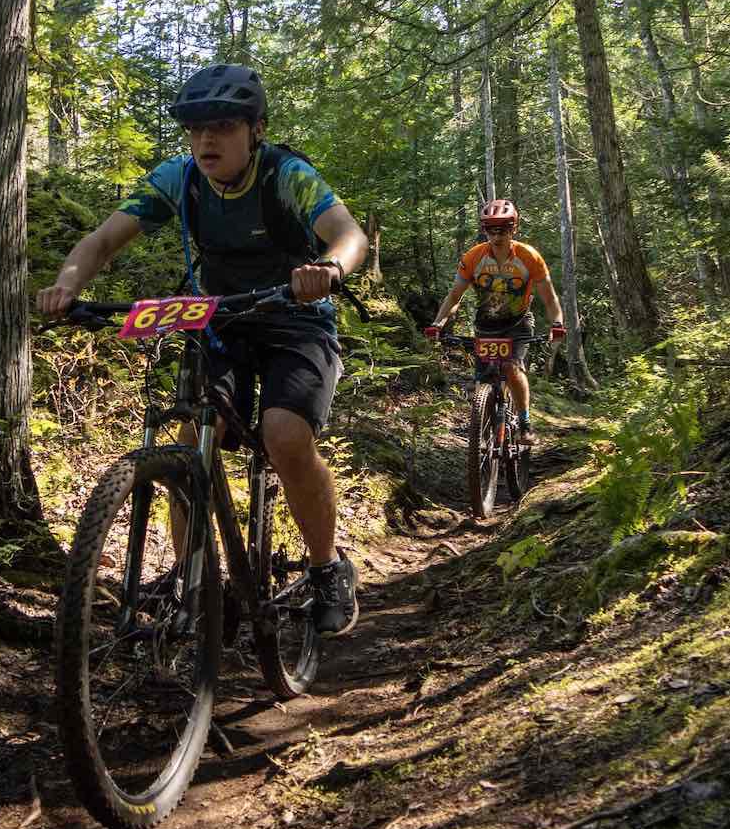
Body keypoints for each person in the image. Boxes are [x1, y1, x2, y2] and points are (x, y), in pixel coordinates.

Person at [37, 63, 368, 637]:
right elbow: (105, 238)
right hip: (224, 323)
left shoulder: (286, 175)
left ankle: (326, 569)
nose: (206, 140)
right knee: (193, 445)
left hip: (297, 323)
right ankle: (198, 579)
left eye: (222, 127)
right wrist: (69, 284)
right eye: (196, 129)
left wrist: (329, 267)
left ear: (255, 129)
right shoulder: (179, 176)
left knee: (285, 435)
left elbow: (348, 232)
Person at [424, 198, 566, 445]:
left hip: (517, 323)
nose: (497, 234)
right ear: (484, 230)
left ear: (514, 228)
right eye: (490, 228)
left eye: (503, 228)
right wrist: (438, 324)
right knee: (482, 379)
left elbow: (549, 297)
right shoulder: (473, 257)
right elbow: (455, 296)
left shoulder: (529, 257)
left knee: (512, 367)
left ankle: (524, 423)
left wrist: (557, 323)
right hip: (486, 324)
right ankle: (485, 423)